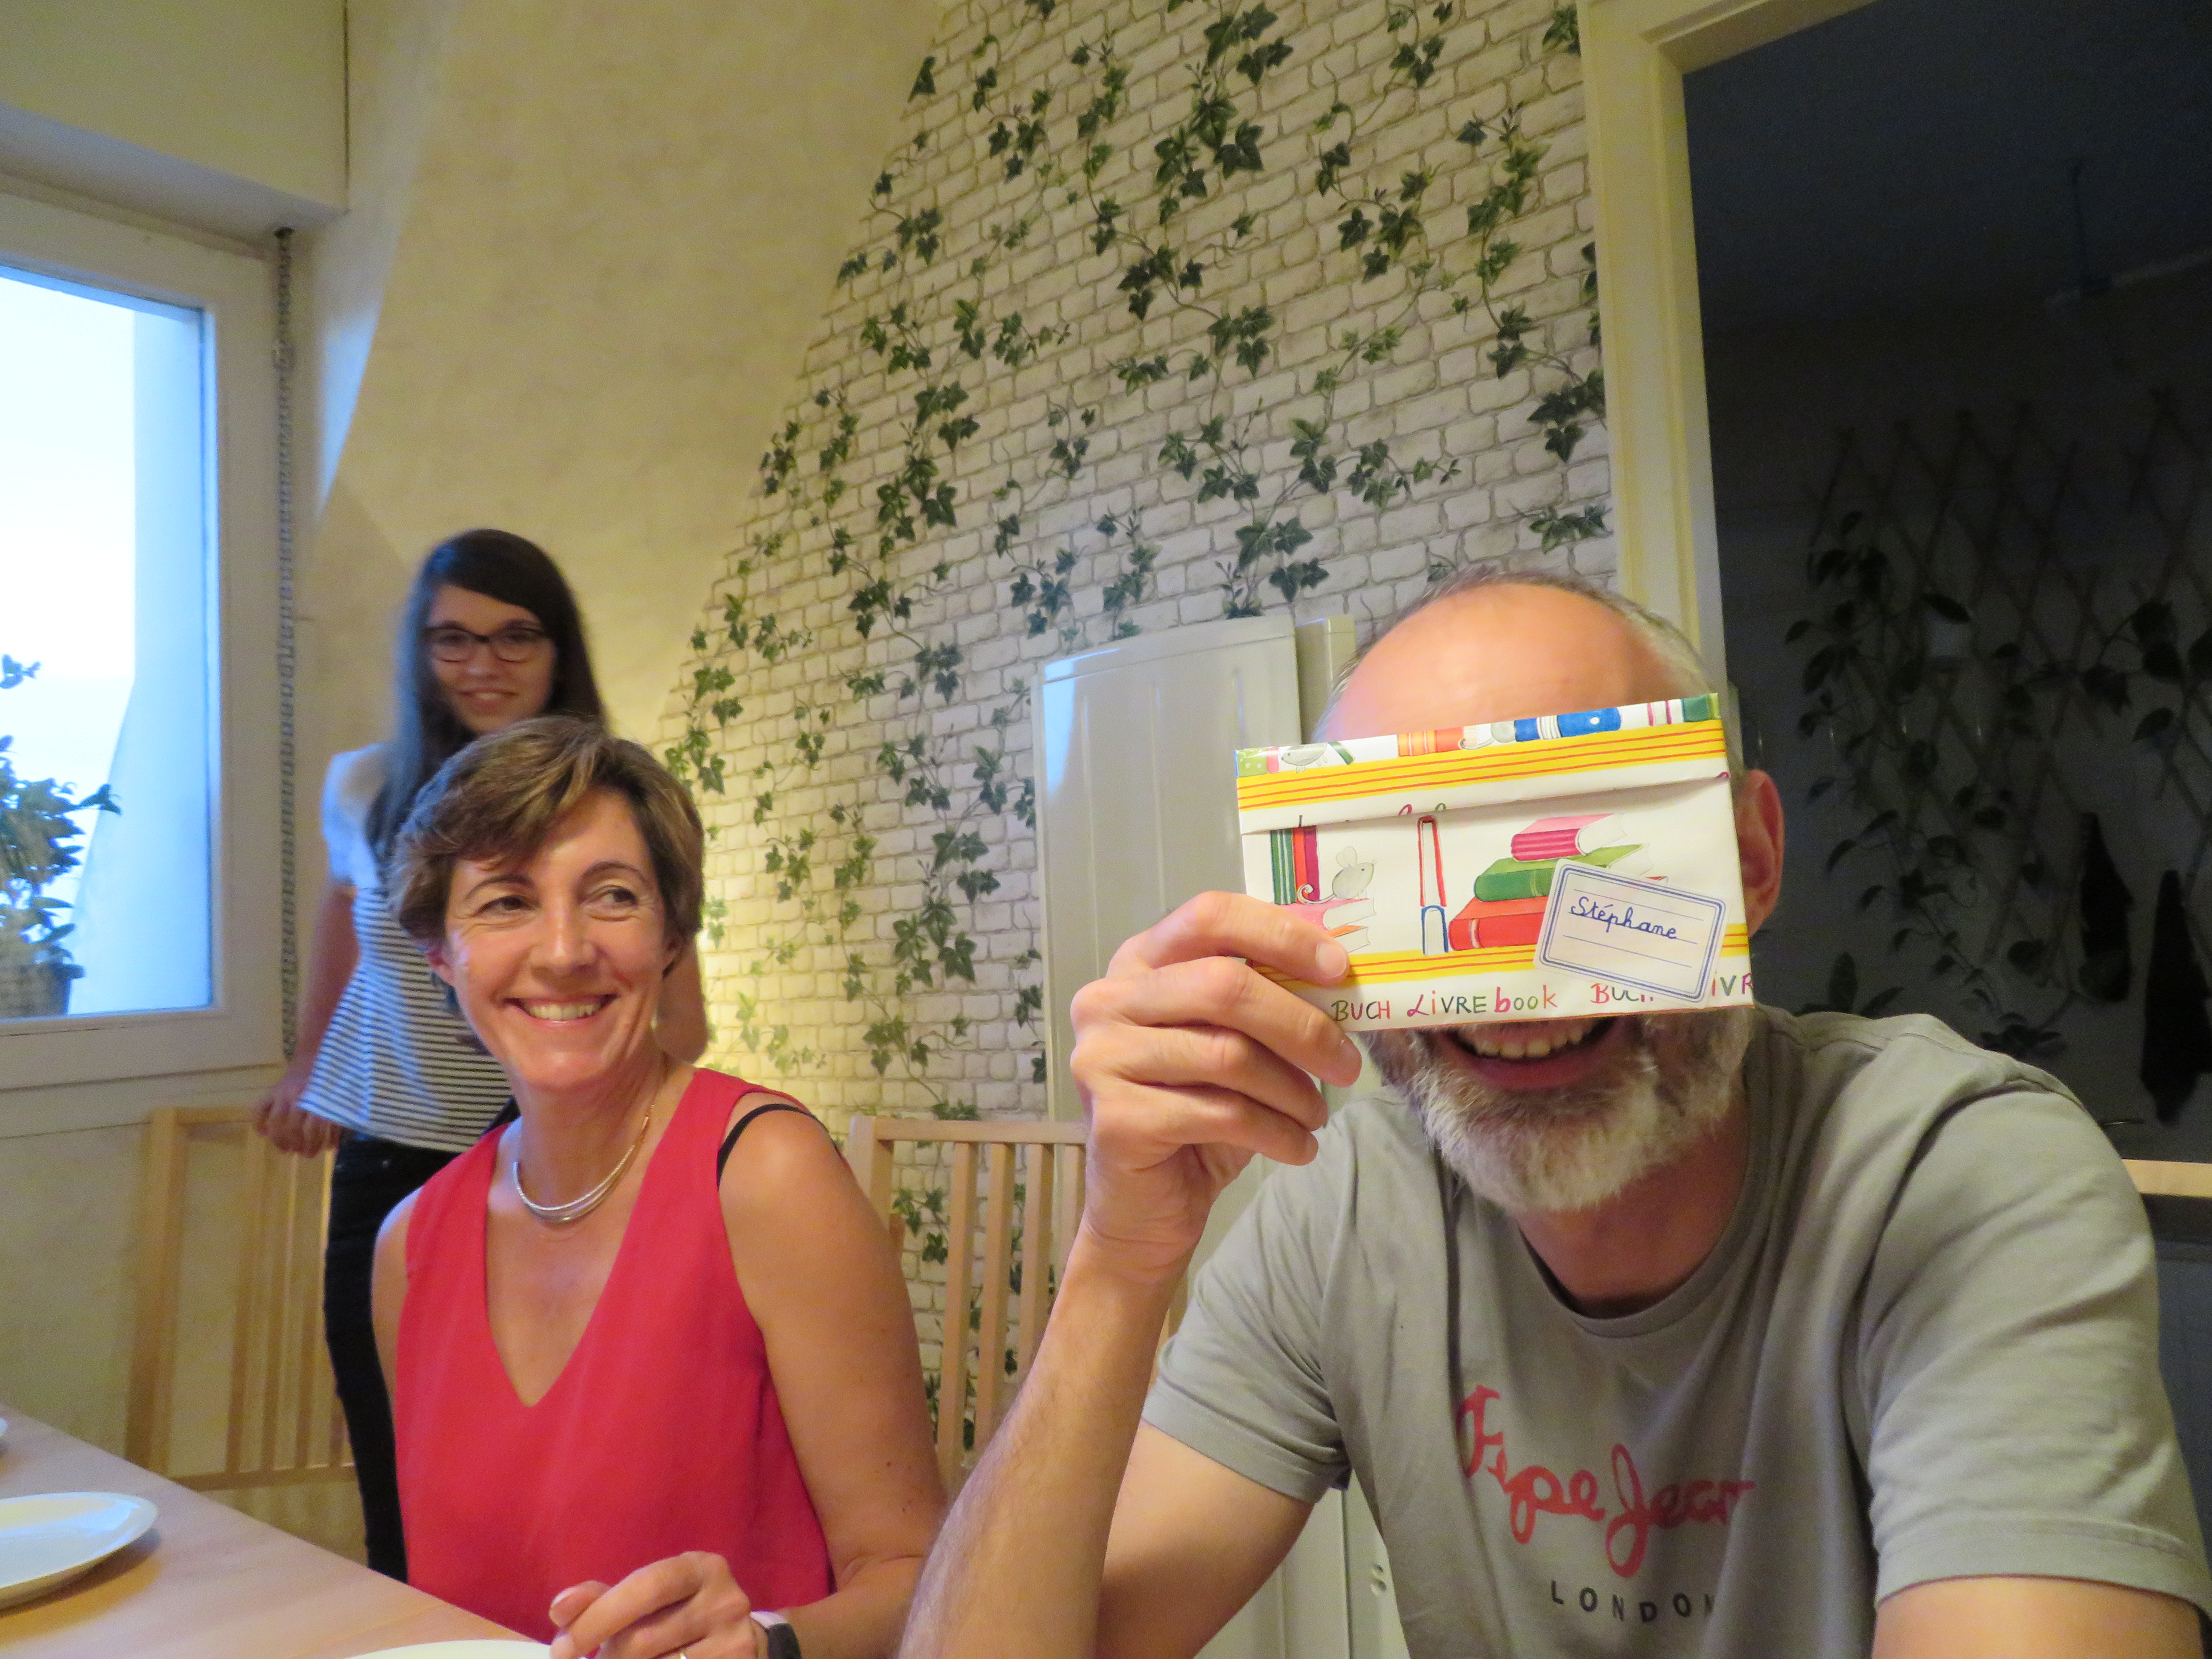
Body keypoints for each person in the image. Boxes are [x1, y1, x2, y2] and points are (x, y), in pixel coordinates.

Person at [900, 568, 2212, 1659]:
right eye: (1422, 866)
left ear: (1750, 860)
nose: (1522, 977)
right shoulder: (1344, 1207)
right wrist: (1117, 1262)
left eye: (1590, 839)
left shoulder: (1962, 1177)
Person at [371, 716, 944, 1659]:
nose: (564, 951)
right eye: (507, 902)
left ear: (672, 936)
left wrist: (766, 1642)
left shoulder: (767, 1176)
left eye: (613, 897)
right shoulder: (410, 1247)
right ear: (441, 950)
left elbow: (920, 1575)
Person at [251, 528, 708, 1579]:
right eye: (453, 639)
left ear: (558, 651)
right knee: (399, 1471)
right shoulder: (364, 788)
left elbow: (681, 1018)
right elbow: (342, 923)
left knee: (566, 1472)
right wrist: (308, 1067)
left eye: (515, 637)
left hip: (551, 1162)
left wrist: (640, 1117)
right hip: (389, 1159)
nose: (483, 665)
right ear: (421, 652)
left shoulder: (609, 798)